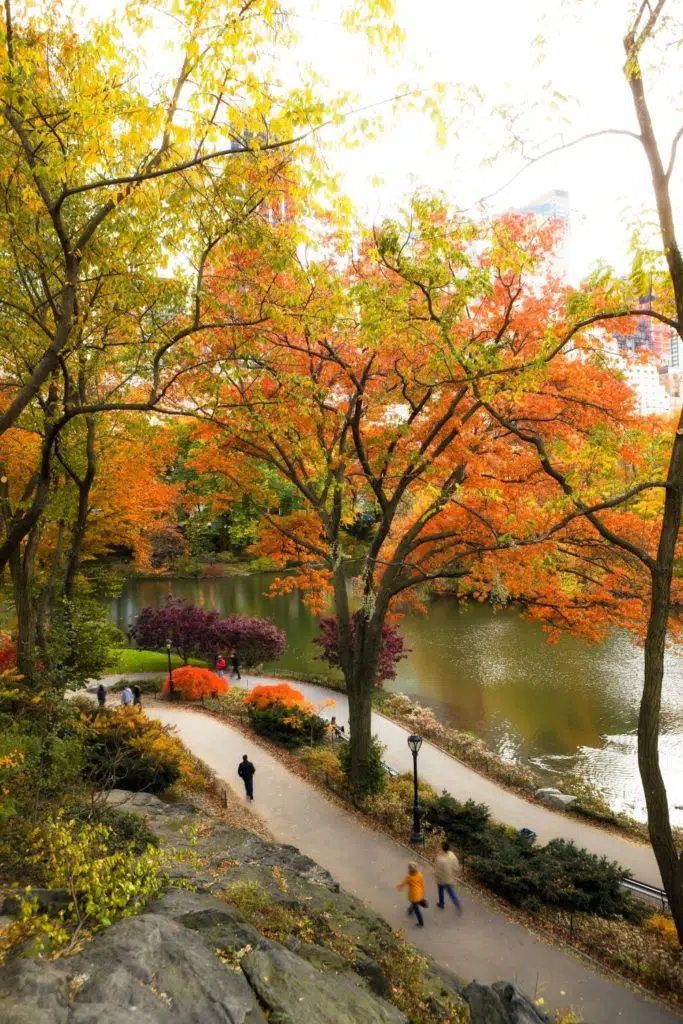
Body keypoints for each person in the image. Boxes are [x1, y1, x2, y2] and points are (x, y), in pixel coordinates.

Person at [434, 841, 462, 912]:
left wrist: (436, 876)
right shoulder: (452, 855)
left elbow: (437, 870)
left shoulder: (440, 858)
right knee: (451, 892)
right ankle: (456, 903)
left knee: (440, 890)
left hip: (441, 879)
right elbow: (456, 867)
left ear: (442, 848)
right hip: (449, 878)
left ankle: (441, 903)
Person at [397, 862, 426, 927]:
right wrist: (422, 892)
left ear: (409, 870)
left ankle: (421, 922)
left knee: (417, 910)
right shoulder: (420, 875)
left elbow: (403, 884)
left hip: (413, 896)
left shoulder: (409, 877)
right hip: (420, 893)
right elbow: (422, 884)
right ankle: (410, 909)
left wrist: (399, 887)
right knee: (414, 904)